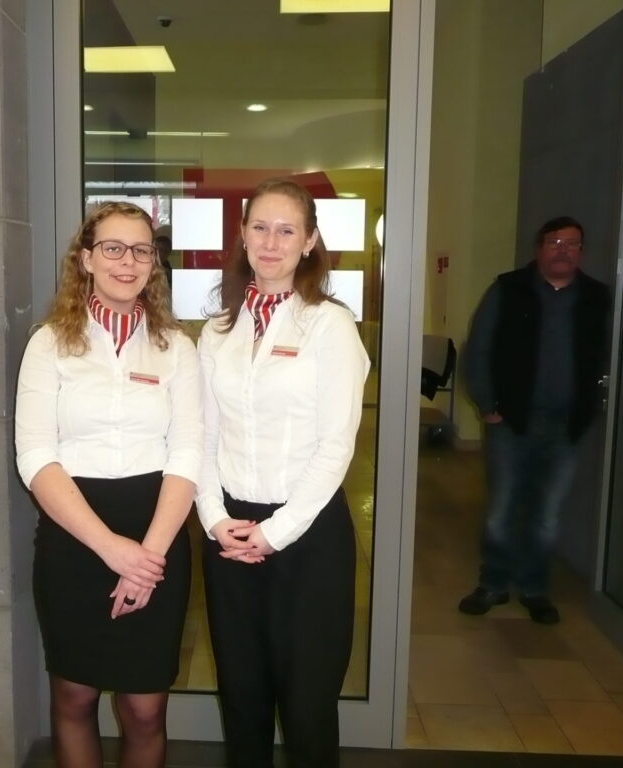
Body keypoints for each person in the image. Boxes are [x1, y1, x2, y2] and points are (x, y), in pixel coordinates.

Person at [15, 201, 201, 767]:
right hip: (74, 536)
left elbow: (187, 455)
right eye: (113, 248)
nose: (128, 261)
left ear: (153, 263)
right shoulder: (49, 344)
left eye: (141, 250)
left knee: (144, 709)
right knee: (75, 696)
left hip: (156, 534)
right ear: (87, 259)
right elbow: (36, 457)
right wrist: (111, 549)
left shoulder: (177, 349)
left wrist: (145, 558)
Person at [196, 178, 370, 768]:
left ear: (310, 241)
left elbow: (335, 446)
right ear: (243, 235)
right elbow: (204, 437)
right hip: (230, 534)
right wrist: (215, 518)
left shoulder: (329, 325)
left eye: (287, 230)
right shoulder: (218, 330)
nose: (271, 243)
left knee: (307, 707)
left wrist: (275, 532)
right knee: (241, 698)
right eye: (261, 228)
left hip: (308, 535)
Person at [459, 216, 611, 624]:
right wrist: (487, 404)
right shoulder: (508, 290)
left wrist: (593, 407)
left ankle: (535, 589)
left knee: (547, 514)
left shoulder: (597, 297)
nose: (563, 250)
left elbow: (608, 356)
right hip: (511, 422)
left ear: (581, 252)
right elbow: (479, 349)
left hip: (567, 427)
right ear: (539, 248)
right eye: (555, 241)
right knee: (502, 509)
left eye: (572, 244)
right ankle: (493, 584)